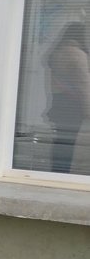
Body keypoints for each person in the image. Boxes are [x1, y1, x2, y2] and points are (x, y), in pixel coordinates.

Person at [46, 20, 90, 174]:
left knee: (61, 140)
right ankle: (63, 173)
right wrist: (87, 109)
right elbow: (84, 85)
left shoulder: (57, 52)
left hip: (59, 101)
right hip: (73, 104)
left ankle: (57, 170)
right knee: (69, 142)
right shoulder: (78, 55)